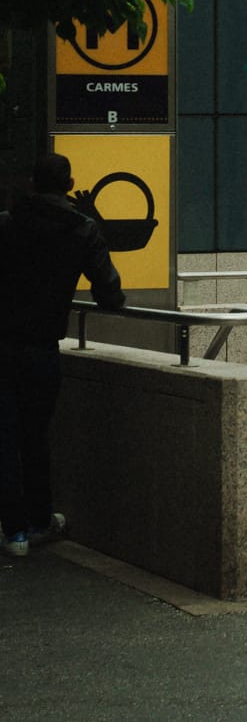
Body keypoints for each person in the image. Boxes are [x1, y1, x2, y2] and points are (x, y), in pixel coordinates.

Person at [0, 152, 125, 557]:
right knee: (35, 436)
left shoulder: (6, 224)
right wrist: (95, 226)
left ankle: (13, 531)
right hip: (41, 349)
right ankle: (39, 520)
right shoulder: (82, 229)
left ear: (32, 184)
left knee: (5, 436)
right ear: (70, 186)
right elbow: (110, 294)